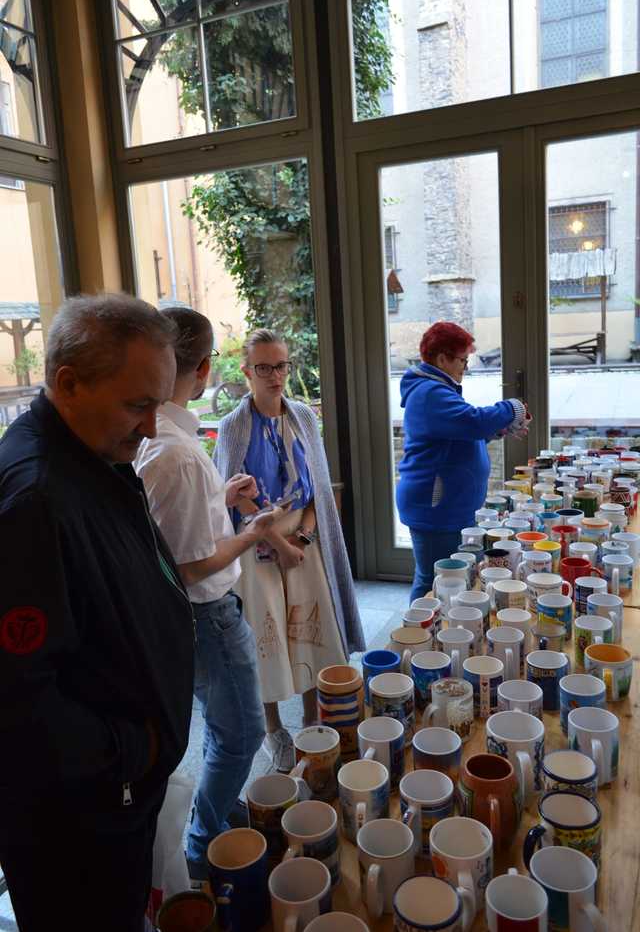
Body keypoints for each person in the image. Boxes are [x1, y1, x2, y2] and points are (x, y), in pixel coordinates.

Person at [0, 295, 195, 932]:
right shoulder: (36, 500)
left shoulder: (91, 456)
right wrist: (133, 752)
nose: (151, 428)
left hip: (118, 791)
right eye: (138, 405)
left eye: (159, 405)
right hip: (80, 817)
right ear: (67, 383)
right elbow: (21, 702)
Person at [135, 307, 278, 885]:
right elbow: (190, 565)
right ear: (203, 367)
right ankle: (206, 841)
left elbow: (170, 527)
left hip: (191, 617)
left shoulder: (162, 442)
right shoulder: (178, 454)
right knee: (242, 732)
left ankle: (221, 817)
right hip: (208, 615)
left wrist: (221, 493)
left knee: (227, 726)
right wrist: (252, 533)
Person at [215, 329, 365, 773]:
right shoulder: (233, 426)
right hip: (258, 538)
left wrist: (301, 539)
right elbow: (235, 497)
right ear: (246, 373)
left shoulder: (302, 416)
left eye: (281, 365)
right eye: (263, 367)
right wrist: (277, 543)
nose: (274, 375)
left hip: (303, 536)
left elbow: (318, 483)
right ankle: (275, 731)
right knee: (269, 633)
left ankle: (315, 719)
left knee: (310, 627)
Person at [396, 321, 530, 603]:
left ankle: (430, 634)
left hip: (444, 504)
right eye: (462, 360)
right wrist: (512, 407)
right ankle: (418, 637)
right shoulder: (430, 393)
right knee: (436, 580)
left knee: (442, 577)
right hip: (436, 506)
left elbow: (459, 434)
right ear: (442, 358)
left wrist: (498, 429)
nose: (464, 368)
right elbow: (471, 422)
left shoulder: (436, 389)